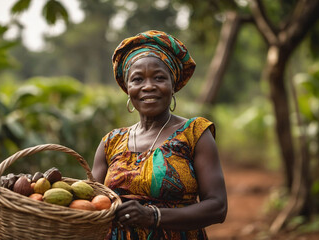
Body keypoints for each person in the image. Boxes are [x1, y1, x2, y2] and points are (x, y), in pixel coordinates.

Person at [92, 30, 227, 240]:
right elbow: (89, 202)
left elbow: (217, 207)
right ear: (128, 89)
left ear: (173, 85)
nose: (148, 86)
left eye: (159, 78)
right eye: (137, 79)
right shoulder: (111, 142)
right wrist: (31, 190)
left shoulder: (194, 134)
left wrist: (154, 216)